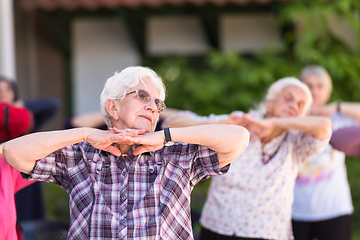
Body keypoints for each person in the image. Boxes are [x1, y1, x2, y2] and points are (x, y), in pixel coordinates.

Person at [3, 66, 250, 240]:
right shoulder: (80, 155)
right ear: (113, 106)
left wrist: (166, 135)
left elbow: (239, 137)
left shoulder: (177, 155)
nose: (153, 107)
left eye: (157, 103)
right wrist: (86, 134)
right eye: (142, 96)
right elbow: (13, 151)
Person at [165, 77, 332, 240]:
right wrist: (221, 123)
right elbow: (174, 124)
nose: (294, 105)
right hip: (217, 227)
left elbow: (325, 126)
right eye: (288, 98)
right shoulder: (238, 123)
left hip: (268, 234)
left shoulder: (296, 143)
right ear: (269, 103)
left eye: (300, 104)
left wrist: (276, 124)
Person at [292, 65, 360, 240]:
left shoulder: (339, 119)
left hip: (334, 209)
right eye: (309, 85)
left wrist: (338, 106)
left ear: (328, 92)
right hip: (295, 210)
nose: (314, 91)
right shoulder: (290, 119)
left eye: (320, 86)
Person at [0, 76, 35, 240]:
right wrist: (13, 108)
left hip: (12, 173)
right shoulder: (12, 112)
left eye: (7, 89)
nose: (2, 93)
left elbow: (25, 120)